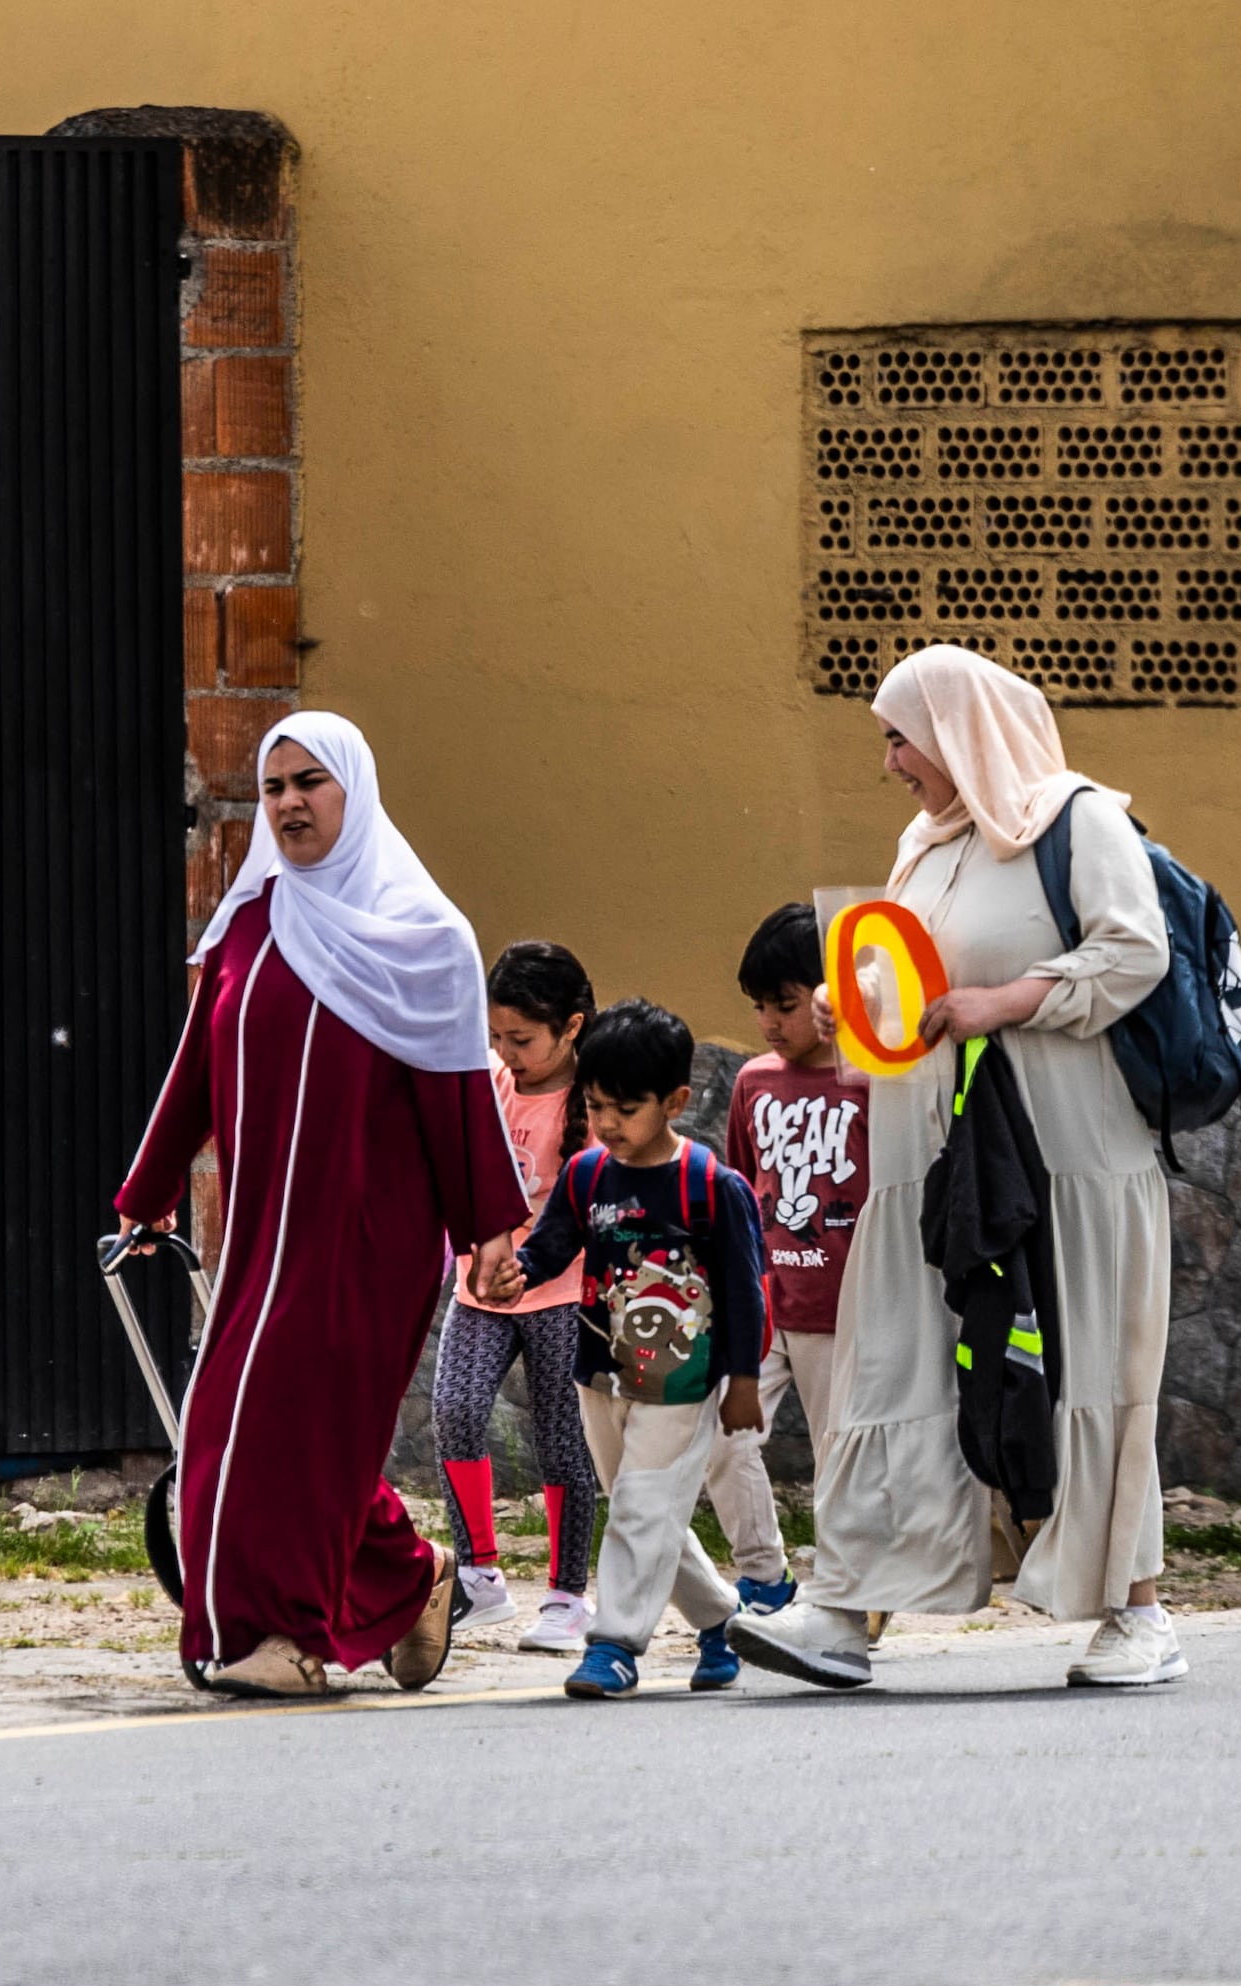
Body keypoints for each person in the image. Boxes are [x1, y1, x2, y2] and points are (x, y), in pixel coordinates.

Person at [731, 643, 1182, 1694]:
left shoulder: (1078, 822)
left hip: (1067, 1152)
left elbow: (1133, 953)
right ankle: (844, 1607)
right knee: (897, 1355)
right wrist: (859, 1010)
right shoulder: (922, 844)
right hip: (928, 1149)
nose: (889, 762)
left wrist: (1003, 999)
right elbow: (911, 979)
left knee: (1077, 1360)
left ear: (958, 733)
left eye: (901, 737)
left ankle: (1136, 1610)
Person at [114, 713, 522, 1696]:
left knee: (269, 1427)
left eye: (311, 782)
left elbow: (458, 1093)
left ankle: (283, 1636)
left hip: (364, 1239)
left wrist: (489, 1233)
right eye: (273, 788)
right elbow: (198, 1067)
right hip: (262, 1231)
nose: (290, 802)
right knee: (257, 1429)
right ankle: (406, 1580)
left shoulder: (424, 938)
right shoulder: (252, 921)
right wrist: (151, 1188)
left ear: (355, 791)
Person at [485, 1002, 773, 1697]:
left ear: (675, 1101)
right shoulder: (588, 1176)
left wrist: (740, 1381)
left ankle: (614, 1644)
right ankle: (720, 1619)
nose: (609, 1122)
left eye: (626, 1107)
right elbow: (553, 1244)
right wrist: (520, 1271)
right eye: (596, 1105)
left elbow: (742, 1292)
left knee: (643, 1508)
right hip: (601, 1377)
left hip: (684, 1382)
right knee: (641, 1507)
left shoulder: (711, 1186)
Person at [435, 941, 611, 1654]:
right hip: (483, 1282)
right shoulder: (490, 1080)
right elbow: (461, 1166)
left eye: (522, 1038)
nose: (505, 1050)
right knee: (454, 1409)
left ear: (571, 1027)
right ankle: (479, 1576)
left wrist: (534, 1264)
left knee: (564, 1444)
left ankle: (568, 1595)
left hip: (563, 1289)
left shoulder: (595, 1101)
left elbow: (599, 1204)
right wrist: (480, 1252)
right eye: (496, 1035)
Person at [721, 900, 861, 1613]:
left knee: (843, 1460)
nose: (772, 1021)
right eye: (759, 1006)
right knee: (722, 1430)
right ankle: (765, 1576)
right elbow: (742, 1191)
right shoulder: (752, 1083)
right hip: (767, 1303)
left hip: (846, 1309)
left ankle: (848, 1594)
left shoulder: (869, 1079)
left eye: (786, 1002)